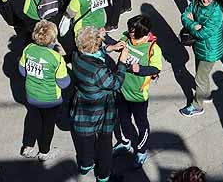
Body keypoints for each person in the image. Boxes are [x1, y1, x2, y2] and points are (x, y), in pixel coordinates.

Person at [69, 26, 127, 182]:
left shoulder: (77, 55)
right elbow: (115, 83)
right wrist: (122, 62)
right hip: (100, 108)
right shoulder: (98, 70)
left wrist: (110, 48)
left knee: (85, 139)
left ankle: (85, 164)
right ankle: (103, 175)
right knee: (104, 143)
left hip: (81, 104)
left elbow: (94, 52)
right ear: (95, 45)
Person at [111, 14, 162, 168]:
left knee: (141, 124)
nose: (129, 32)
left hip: (138, 95)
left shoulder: (153, 48)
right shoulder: (127, 37)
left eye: (132, 30)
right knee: (123, 119)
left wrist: (139, 69)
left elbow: (156, 68)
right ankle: (125, 142)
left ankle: (141, 150)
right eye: (129, 29)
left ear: (142, 31)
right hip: (121, 88)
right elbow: (117, 45)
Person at [18, 19, 70, 160]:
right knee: (47, 126)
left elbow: (22, 71)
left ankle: (28, 147)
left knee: (33, 119)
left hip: (32, 95)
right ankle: (44, 152)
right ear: (52, 39)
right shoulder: (56, 58)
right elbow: (64, 83)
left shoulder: (28, 49)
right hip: (50, 99)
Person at [179, 0, 223, 117]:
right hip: (199, 46)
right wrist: (195, 25)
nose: (205, 0)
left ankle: (197, 106)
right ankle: (206, 94)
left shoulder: (217, 13)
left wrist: (192, 24)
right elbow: (184, 15)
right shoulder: (196, 3)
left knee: (199, 77)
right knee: (202, 74)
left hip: (210, 50)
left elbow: (203, 33)